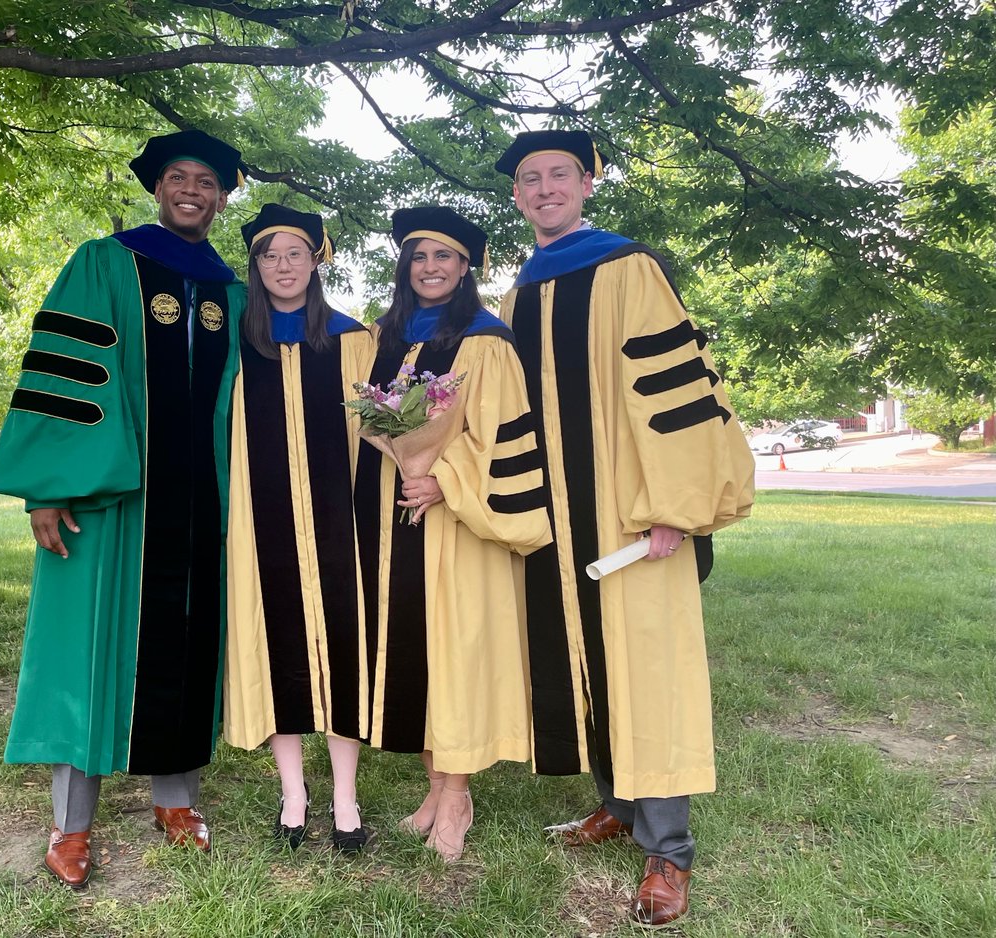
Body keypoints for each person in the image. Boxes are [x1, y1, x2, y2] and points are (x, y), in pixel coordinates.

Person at [494, 130, 755, 926]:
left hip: (631, 516)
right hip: (556, 522)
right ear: (516, 196)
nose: (545, 189)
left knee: (649, 669)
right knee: (586, 665)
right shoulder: (517, 292)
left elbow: (670, 391)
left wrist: (674, 507)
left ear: (587, 185)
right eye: (530, 180)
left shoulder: (628, 267)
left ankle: (667, 852)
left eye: (559, 176)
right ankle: (617, 805)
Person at [0, 128, 247, 888]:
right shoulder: (105, 263)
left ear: (223, 197)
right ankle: (71, 826)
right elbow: (65, 375)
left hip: (202, 508)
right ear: (157, 189)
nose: (191, 187)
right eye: (178, 176)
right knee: (87, 653)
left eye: (206, 179)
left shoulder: (233, 290)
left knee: (190, 649)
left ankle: (177, 803)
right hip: (111, 503)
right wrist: (49, 486)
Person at [354, 206, 553, 862]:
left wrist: (443, 480)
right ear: (404, 266)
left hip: (461, 522)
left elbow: (503, 434)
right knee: (419, 651)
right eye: (420, 256)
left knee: (457, 650)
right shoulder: (382, 336)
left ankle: (459, 795)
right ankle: (434, 788)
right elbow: (365, 419)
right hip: (394, 519)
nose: (431, 267)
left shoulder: (487, 341)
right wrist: (400, 462)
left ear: (467, 267)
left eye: (445, 257)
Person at [221, 203, 374, 852]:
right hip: (263, 529)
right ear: (255, 267)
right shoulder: (236, 343)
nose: (283, 266)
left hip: (339, 527)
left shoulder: (352, 339)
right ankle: (293, 795)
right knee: (278, 646)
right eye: (269, 255)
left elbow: (379, 438)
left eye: (295, 253)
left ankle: (344, 797)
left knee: (342, 650)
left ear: (318, 259)